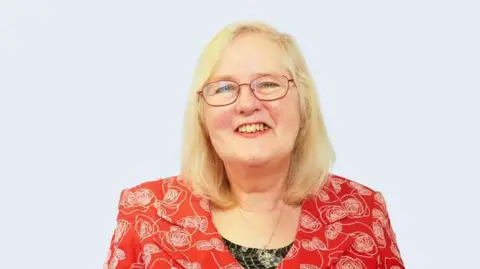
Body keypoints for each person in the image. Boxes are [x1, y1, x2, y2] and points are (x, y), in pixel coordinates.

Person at [104, 20, 405, 269]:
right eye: (224, 88)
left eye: (269, 84)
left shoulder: (363, 213)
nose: (247, 103)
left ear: (303, 104)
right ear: (202, 114)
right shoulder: (145, 213)